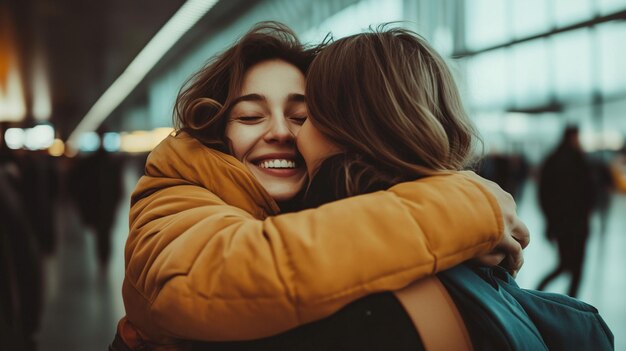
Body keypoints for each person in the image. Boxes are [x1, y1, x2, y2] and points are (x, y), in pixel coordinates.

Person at [113, 22, 528, 350]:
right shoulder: (176, 191)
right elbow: (230, 272)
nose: (282, 132)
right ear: (214, 129)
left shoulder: (311, 207)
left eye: (302, 116)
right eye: (251, 116)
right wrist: (459, 206)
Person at [537, 126, 595, 297]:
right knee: (574, 269)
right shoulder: (578, 160)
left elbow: (543, 194)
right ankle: (570, 303)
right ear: (572, 137)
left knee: (565, 265)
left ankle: (539, 291)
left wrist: (550, 222)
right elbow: (588, 191)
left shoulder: (553, 159)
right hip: (576, 223)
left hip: (561, 224)